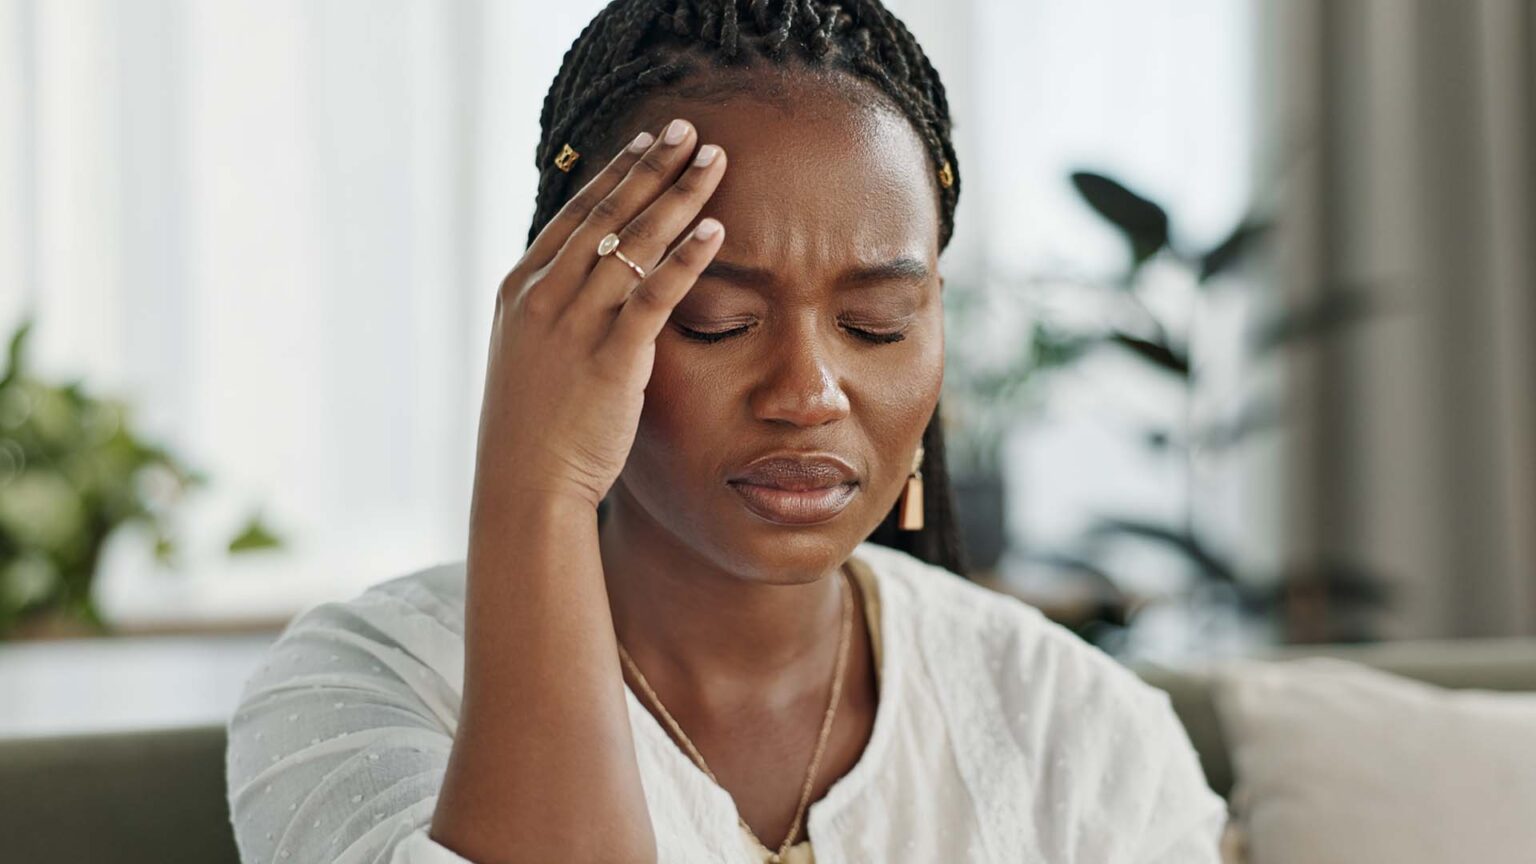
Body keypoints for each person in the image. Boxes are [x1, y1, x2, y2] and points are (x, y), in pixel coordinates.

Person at [225, 1, 1230, 862]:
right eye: (717, 321)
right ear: (566, 320)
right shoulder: (367, 689)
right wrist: (539, 489)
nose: (809, 394)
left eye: (876, 323)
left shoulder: (1078, 727)